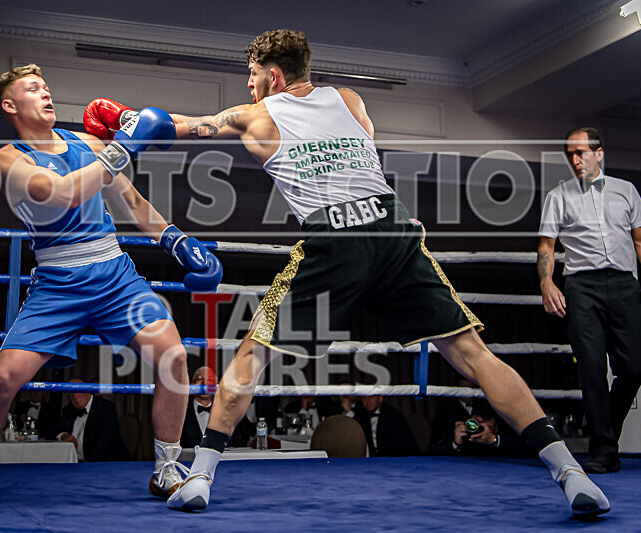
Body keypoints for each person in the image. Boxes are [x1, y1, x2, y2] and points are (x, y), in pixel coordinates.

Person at [85, 29, 610, 517]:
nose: (247, 84)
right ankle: (570, 471)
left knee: (254, 352)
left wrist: (123, 124)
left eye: (251, 74)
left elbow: (171, 128)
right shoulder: (351, 99)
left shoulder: (255, 114)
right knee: (473, 353)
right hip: (391, 228)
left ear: (272, 75)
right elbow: (368, 159)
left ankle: (198, 477)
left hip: (334, 238)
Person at [0, 64, 222, 503]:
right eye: (33, 88)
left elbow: (130, 199)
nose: (46, 93)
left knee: (172, 358)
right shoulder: (9, 158)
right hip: (58, 284)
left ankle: (167, 468)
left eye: (46, 87)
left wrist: (175, 239)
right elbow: (59, 193)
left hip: (115, 274)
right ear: (10, 105)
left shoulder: (88, 142)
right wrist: (123, 149)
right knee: (2, 380)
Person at [538, 126, 641, 474]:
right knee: (591, 367)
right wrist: (545, 282)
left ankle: (606, 434)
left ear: (599, 153)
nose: (575, 159)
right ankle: (603, 450)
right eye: (570, 153)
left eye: (582, 152)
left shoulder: (626, 191)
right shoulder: (559, 196)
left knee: (635, 367)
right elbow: (546, 247)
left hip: (623, 283)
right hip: (581, 286)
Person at [429, 399, 532, 457]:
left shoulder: (507, 431)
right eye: (476, 422)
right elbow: (431, 455)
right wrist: (456, 444)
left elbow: (530, 449)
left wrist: (493, 440)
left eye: (485, 420)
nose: (480, 426)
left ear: (495, 423)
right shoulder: (466, 433)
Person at [56, 379, 129, 462]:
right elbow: (55, 430)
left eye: (78, 391)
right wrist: (65, 436)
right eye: (71, 392)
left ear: (89, 390)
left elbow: (104, 444)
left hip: (104, 464)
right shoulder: (68, 410)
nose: (75, 396)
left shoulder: (106, 408)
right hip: (72, 463)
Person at [181, 367, 252, 448]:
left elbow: (245, 435)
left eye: (210, 380)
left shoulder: (229, 411)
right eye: (200, 379)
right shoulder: (180, 412)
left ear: (216, 386)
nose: (204, 383)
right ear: (192, 384)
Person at [353, 395, 418, 457]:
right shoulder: (360, 416)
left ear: (380, 398)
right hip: (370, 461)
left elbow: (399, 446)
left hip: (395, 460)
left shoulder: (393, 416)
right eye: (364, 398)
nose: (367, 401)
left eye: (371, 397)